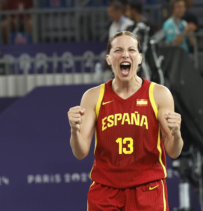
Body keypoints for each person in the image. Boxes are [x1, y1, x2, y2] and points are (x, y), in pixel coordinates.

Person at [67, 31, 184, 210]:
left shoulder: (159, 94)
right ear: (108, 59)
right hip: (105, 190)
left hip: (148, 188)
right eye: (118, 50)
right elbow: (80, 152)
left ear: (140, 58)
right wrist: (74, 131)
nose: (125, 54)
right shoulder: (93, 96)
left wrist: (176, 134)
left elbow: (174, 152)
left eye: (131, 49)